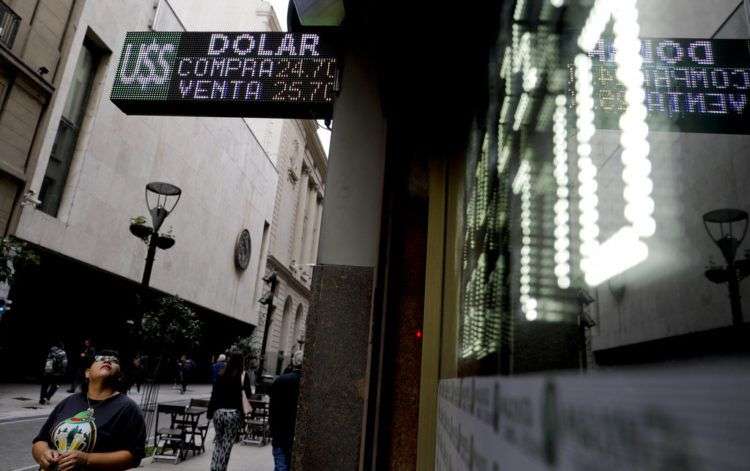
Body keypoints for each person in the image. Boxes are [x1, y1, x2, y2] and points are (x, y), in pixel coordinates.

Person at [32, 350, 146, 471]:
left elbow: (133, 456)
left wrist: (87, 459)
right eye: (100, 359)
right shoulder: (69, 402)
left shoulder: (128, 408)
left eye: (113, 361)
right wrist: (43, 454)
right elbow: (40, 440)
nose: (107, 361)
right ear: (87, 373)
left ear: (120, 376)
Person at [207, 351, 252, 471]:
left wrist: (210, 412)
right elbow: (248, 394)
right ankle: (221, 468)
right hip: (233, 414)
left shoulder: (221, 374)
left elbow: (214, 395)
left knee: (218, 442)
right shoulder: (243, 375)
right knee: (227, 445)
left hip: (218, 413)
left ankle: (214, 467)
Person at [269, 350, 303, 471]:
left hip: (280, 430)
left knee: (280, 464)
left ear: (293, 362)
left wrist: (271, 428)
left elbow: (272, 407)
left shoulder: (280, 380)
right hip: (297, 431)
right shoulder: (307, 384)